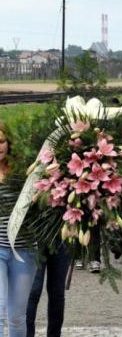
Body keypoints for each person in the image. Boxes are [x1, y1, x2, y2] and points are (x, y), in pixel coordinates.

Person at [0, 121, 37, 337]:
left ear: (9, 143)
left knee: (17, 316)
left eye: (2, 141)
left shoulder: (23, 170)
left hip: (24, 251)